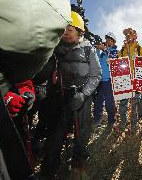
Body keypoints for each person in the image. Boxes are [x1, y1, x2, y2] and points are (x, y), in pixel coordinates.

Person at [0, 0, 71, 179]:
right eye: (67, 30)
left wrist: (20, 85)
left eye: (71, 30)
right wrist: (20, 86)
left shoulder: (77, 51)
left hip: (58, 98)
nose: (66, 33)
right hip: (38, 97)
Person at [39, 11, 102, 179]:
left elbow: (96, 75)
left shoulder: (88, 48)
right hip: (60, 97)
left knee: (82, 132)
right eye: (64, 28)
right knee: (56, 133)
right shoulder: (54, 48)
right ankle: (49, 168)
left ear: (80, 32)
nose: (66, 31)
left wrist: (83, 95)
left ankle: (78, 163)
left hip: (81, 97)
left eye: (71, 29)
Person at [118, 28, 142, 133]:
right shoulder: (122, 50)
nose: (128, 35)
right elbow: (118, 65)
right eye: (126, 34)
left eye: (130, 33)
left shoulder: (140, 49)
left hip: (136, 80)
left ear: (135, 35)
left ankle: (134, 126)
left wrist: (138, 59)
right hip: (124, 80)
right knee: (123, 105)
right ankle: (122, 124)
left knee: (135, 105)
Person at [93, 32, 118, 129]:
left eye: (110, 40)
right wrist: (98, 50)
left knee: (109, 102)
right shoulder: (103, 52)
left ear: (113, 42)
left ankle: (111, 120)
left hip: (109, 80)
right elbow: (96, 60)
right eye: (107, 39)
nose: (107, 41)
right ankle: (97, 119)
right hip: (100, 80)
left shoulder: (115, 51)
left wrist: (105, 49)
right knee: (98, 101)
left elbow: (114, 59)